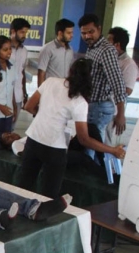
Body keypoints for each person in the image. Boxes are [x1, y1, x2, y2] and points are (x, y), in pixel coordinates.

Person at [19, 59, 125, 199]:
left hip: (33, 140)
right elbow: (84, 139)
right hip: (54, 148)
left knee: (22, 188)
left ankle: (16, 215)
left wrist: (46, 115)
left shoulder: (50, 82)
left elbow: (28, 106)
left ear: (70, 71)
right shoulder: (80, 102)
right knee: (48, 196)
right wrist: (112, 150)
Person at [79, 13, 127, 140]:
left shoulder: (106, 51)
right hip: (91, 105)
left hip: (99, 107)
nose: (87, 36)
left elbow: (117, 82)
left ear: (99, 29)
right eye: (84, 33)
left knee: (93, 147)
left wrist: (121, 114)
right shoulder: (92, 47)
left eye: (91, 32)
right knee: (88, 145)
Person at [106, 27, 139, 147]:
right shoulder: (109, 59)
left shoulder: (128, 64)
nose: (105, 43)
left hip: (113, 111)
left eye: (108, 40)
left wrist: (120, 114)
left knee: (106, 143)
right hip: (100, 108)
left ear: (117, 45)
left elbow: (127, 90)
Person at [37, 18, 75, 87]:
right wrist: (41, 94)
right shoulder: (48, 49)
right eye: (69, 33)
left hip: (64, 90)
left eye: (72, 32)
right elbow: (41, 73)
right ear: (60, 33)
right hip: (51, 90)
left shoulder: (70, 50)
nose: (72, 35)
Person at [8, 18, 31, 129]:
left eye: (26, 32)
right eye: (22, 32)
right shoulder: (4, 48)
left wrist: (25, 94)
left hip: (18, 97)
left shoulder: (24, 51)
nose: (24, 35)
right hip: (3, 97)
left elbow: (22, 72)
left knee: (10, 131)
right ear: (13, 31)